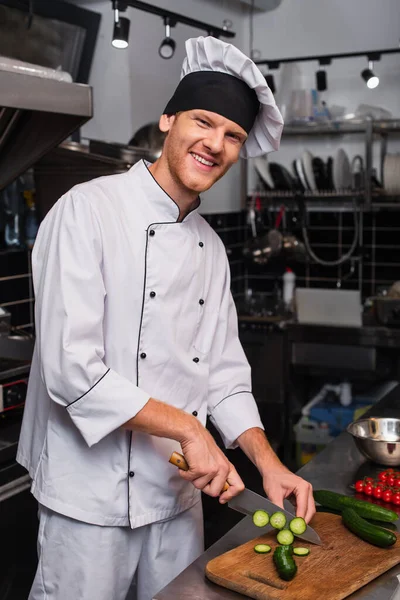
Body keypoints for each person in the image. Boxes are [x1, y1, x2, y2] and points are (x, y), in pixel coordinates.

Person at [17, 35, 315, 600]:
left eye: (233, 136)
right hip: (87, 504)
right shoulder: (87, 212)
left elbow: (224, 377)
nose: (215, 144)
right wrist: (188, 427)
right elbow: (71, 370)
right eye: (203, 122)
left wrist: (267, 465)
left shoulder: (209, 248)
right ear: (168, 118)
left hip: (178, 500)